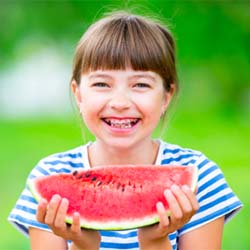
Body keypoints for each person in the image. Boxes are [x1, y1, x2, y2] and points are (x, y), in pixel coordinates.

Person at [8, 10, 242, 250]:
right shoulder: (48, 177)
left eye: (140, 84)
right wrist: (84, 245)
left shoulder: (200, 177)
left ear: (166, 96)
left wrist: (155, 241)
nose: (120, 102)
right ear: (78, 94)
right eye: (102, 84)